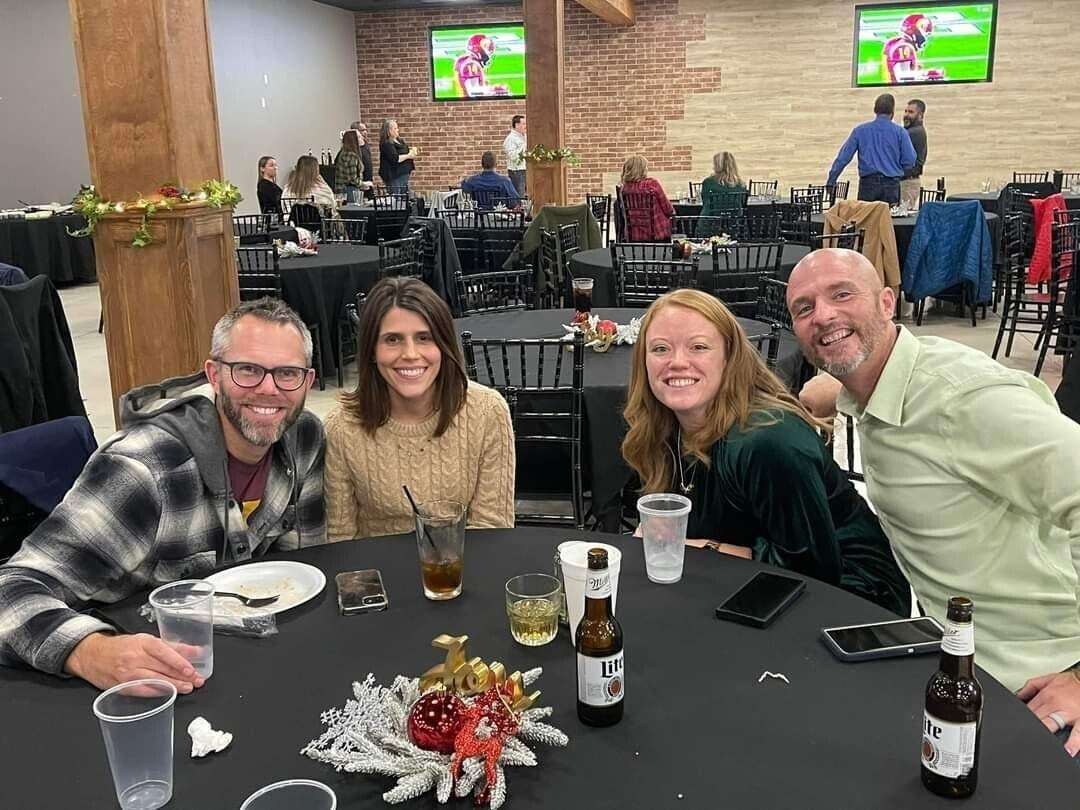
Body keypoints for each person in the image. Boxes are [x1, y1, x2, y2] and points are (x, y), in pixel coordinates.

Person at [785, 248, 1080, 754]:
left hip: (1040, 677)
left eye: (841, 294)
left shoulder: (966, 398)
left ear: (886, 302)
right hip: (958, 663)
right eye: (804, 308)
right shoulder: (875, 388)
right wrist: (829, 391)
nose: (824, 315)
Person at [0, 298, 327, 691]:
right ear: (214, 374)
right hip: (138, 682)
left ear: (307, 382)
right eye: (247, 371)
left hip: (244, 669)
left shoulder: (303, 437)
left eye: (287, 374)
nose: (268, 389)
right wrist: (92, 652)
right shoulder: (143, 470)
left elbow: (303, 566)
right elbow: (12, 588)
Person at [621, 288, 909, 615]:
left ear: (729, 358)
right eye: (660, 349)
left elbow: (811, 568)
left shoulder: (768, 441)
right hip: (745, 584)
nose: (677, 362)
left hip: (851, 599)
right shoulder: (665, 429)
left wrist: (702, 548)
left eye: (698, 347)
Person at [324, 277, 514, 540]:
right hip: (376, 573)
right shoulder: (341, 428)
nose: (411, 354)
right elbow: (339, 539)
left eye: (424, 338)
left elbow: (492, 530)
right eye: (392, 340)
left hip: (459, 572)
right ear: (372, 352)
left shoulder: (488, 412)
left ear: (444, 346)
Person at [826, 94, 916, 206]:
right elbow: (910, 160)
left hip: (867, 185)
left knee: (865, 220)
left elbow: (843, 158)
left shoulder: (860, 131)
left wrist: (831, 180)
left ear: (875, 110)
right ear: (892, 112)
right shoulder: (901, 132)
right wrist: (898, 169)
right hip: (891, 185)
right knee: (888, 221)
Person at [619, 155, 675, 242]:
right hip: (657, 234)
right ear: (642, 169)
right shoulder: (652, 184)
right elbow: (668, 209)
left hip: (634, 236)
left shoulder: (624, 189)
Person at [883, 13, 945, 83]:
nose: (925, 35)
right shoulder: (904, 47)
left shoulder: (895, 42)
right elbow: (902, 77)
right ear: (912, 28)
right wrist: (928, 75)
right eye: (923, 28)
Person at [455, 33, 509, 98]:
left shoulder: (471, 61)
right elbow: (473, 92)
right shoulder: (471, 64)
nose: (489, 50)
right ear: (476, 48)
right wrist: (494, 91)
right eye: (485, 46)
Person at [699, 151, 747, 217]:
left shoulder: (708, 182)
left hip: (711, 223)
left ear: (717, 165)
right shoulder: (741, 185)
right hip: (735, 223)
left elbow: (705, 204)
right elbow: (741, 205)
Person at [900, 99, 928, 209]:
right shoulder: (909, 131)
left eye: (911, 112)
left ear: (920, 115)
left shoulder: (915, 132)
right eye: (906, 111)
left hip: (907, 182)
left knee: (900, 219)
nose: (906, 115)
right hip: (906, 181)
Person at [379, 119, 417, 195]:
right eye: (395, 128)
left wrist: (411, 151)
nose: (397, 130)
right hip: (394, 176)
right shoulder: (387, 144)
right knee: (397, 198)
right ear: (389, 130)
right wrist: (409, 155)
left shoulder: (399, 140)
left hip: (404, 174)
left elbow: (402, 151)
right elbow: (395, 158)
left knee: (405, 197)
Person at [334, 129, 364, 204]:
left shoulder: (342, 153)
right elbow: (352, 179)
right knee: (355, 211)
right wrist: (364, 184)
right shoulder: (351, 155)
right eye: (359, 137)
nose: (362, 138)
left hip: (341, 191)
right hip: (350, 190)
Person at [504, 114, 528, 197]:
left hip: (525, 169)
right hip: (517, 171)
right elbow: (513, 156)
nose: (526, 126)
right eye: (524, 124)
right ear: (517, 125)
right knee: (519, 196)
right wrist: (524, 146)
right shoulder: (510, 139)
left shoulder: (524, 136)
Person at [350, 120, 376, 191]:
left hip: (368, 180)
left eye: (366, 130)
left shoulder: (365, 144)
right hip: (360, 183)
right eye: (362, 130)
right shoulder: (353, 149)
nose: (365, 132)